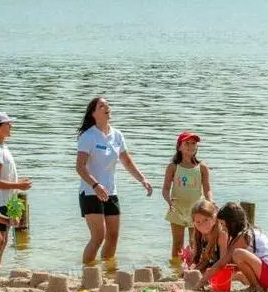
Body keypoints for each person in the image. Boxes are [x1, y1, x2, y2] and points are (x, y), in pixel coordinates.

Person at [76, 97, 153, 265]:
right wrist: (95, 185)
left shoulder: (117, 135)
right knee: (98, 237)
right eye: (101, 106)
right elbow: (80, 167)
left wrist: (142, 179)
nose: (107, 108)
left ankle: (106, 273)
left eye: (107, 105)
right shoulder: (88, 136)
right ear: (93, 113)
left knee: (113, 236)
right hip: (90, 192)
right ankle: (87, 273)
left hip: (111, 192)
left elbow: (126, 161)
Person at [0, 111, 32, 274]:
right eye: (7, 123)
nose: (11, 126)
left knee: (2, 242)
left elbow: (2, 177)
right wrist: (18, 185)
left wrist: (17, 183)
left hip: (5, 202)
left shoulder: (1, 147)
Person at [196, 202, 268, 292]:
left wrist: (202, 281)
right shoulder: (250, 230)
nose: (222, 228)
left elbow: (221, 263)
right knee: (236, 257)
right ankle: (258, 286)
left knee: (237, 253)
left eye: (223, 225)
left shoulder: (244, 236)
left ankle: (255, 287)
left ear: (232, 223)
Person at [162, 131, 212, 261]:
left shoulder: (202, 167)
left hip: (196, 211)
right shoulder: (173, 167)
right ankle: (175, 270)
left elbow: (207, 189)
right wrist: (169, 201)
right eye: (187, 143)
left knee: (194, 243)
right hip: (177, 209)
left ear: (197, 147)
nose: (190, 146)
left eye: (193, 143)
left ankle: (192, 269)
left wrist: (210, 202)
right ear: (179, 147)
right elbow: (166, 189)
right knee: (177, 244)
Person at [189, 199, 222, 274]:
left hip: (227, 267)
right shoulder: (198, 234)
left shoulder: (222, 234)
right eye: (198, 222)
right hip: (213, 266)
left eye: (206, 220)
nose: (202, 225)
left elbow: (224, 262)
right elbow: (205, 260)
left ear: (214, 217)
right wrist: (192, 269)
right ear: (193, 222)